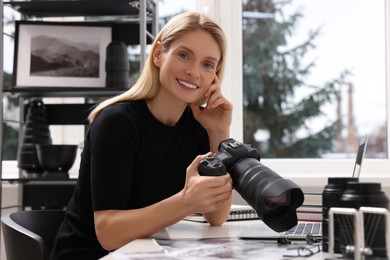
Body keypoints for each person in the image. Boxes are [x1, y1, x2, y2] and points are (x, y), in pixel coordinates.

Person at [50, 11, 233, 260]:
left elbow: (216, 216)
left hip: (143, 253)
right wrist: (187, 202)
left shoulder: (198, 126)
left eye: (208, 64)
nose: (194, 72)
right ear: (158, 54)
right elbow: (108, 233)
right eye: (184, 55)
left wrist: (218, 132)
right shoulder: (116, 123)